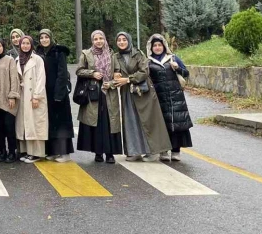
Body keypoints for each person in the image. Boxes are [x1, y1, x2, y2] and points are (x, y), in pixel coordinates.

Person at [112, 32, 172, 162]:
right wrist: (115, 76)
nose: (122, 42)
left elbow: (144, 71)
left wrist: (128, 79)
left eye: (124, 40)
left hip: (143, 91)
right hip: (127, 93)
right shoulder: (115, 57)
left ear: (129, 40)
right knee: (130, 121)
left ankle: (158, 151)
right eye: (119, 40)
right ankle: (135, 151)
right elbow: (114, 71)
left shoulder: (138, 54)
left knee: (150, 121)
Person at [76, 30, 122, 163]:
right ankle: (98, 153)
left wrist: (111, 83)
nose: (99, 41)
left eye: (101, 38)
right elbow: (79, 70)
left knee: (109, 123)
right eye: (96, 39)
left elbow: (117, 72)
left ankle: (110, 154)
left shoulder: (112, 54)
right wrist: (92, 73)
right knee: (96, 123)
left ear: (105, 39)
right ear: (92, 41)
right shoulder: (86, 54)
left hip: (109, 93)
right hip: (93, 93)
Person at [146, 34, 192, 161]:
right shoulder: (148, 62)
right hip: (158, 98)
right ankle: (164, 151)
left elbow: (186, 73)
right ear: (151, 47)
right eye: (154, 45)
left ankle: (176, 151)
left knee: (176, 123)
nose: (157, 47)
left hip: (175, 96)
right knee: (162, 124)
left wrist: (177, 68)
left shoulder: (172, 58)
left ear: (164, 46)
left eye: (159, 45)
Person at [35, 29, 75, 163]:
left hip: (59, 93)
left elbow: (62, 73)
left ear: (51, 38)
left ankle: (65, 153)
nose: (44, 40)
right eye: (42, 38)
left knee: (62, 123)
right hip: (45, 93)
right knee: (50, 123)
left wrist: (59, 94)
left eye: (46, 37)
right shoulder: (39, 52)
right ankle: (52, 151)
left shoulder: (59, 52)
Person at [15, 35, 48, 163]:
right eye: (23, 43)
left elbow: (41, 78)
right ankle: (26, 151)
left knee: (36, 124)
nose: (25, 46)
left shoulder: (37, 59)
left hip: (34, 95)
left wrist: (36, 96)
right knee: (24, 124)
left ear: (31, 45)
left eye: (27, 43)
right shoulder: (17, 59)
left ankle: (37, 153)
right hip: (22, 95)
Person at [0, 38, 20, 162]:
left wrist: (12, 95)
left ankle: (12, 151)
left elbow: (14, 78)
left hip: (7, 100)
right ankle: (1, 150)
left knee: (9, 126)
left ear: (3, 47)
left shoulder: (9, 60)